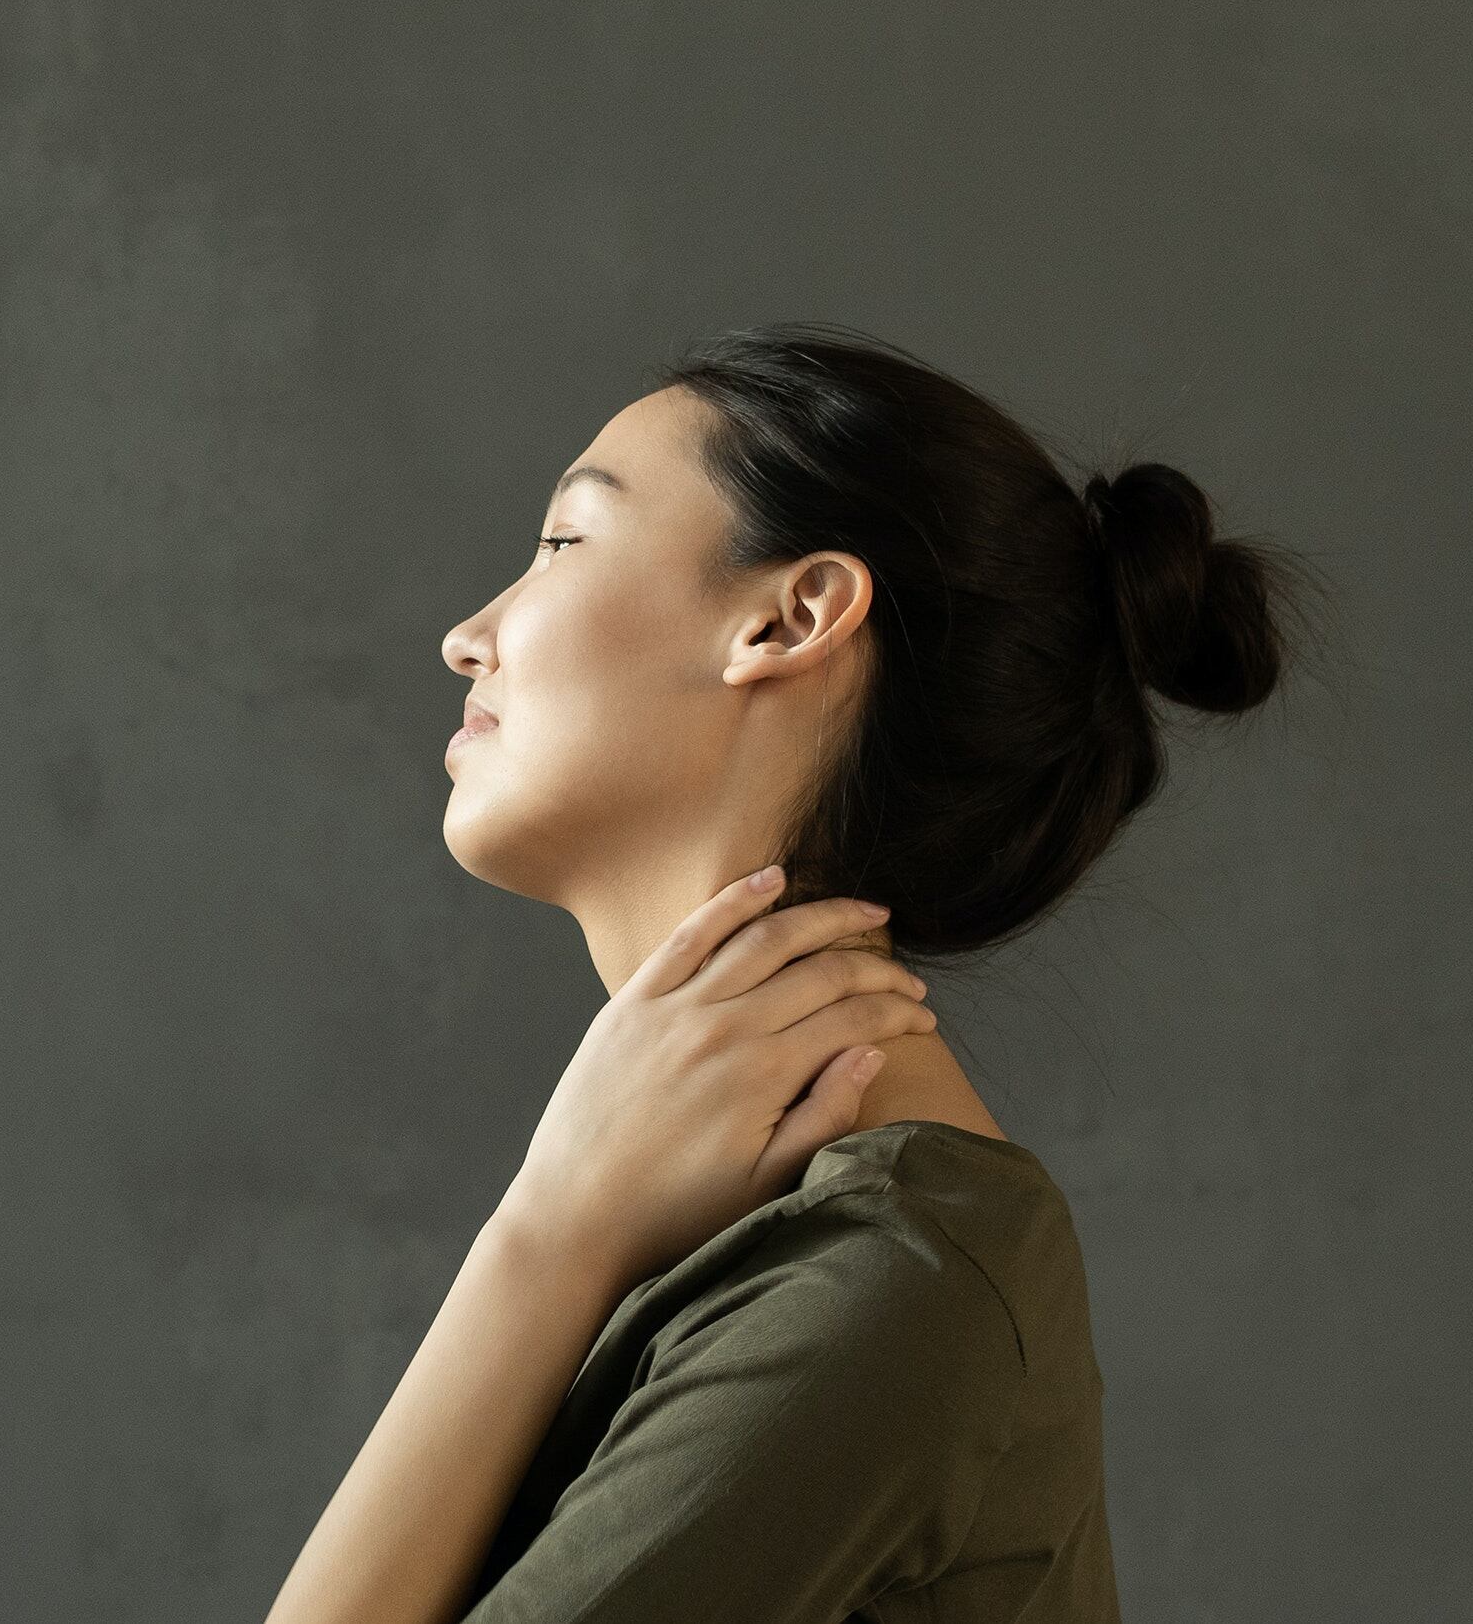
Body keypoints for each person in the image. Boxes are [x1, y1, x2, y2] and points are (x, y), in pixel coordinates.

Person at [264, 323, 1313, 1624]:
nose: (467, 636)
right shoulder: (740, 1220)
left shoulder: (894, 1272)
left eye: (562, 543)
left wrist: (543, 1239)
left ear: (786, 616)